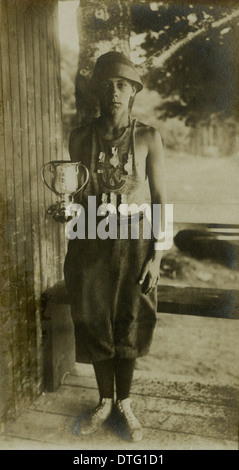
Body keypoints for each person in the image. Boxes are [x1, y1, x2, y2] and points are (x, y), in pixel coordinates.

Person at [64, 51, 166, 442]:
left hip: (136, 246)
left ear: (134, 91)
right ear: (96, 93)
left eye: (122, 85)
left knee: (130, 320)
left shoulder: (147, 137)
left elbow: (161, 200)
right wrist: (67, 215)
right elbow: (74, 199)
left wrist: (157, 257)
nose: (114, 93)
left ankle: (125, 403)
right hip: (89, 246)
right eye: (106, 86)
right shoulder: (79, 138)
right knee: (94, 322)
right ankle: (103, 400)